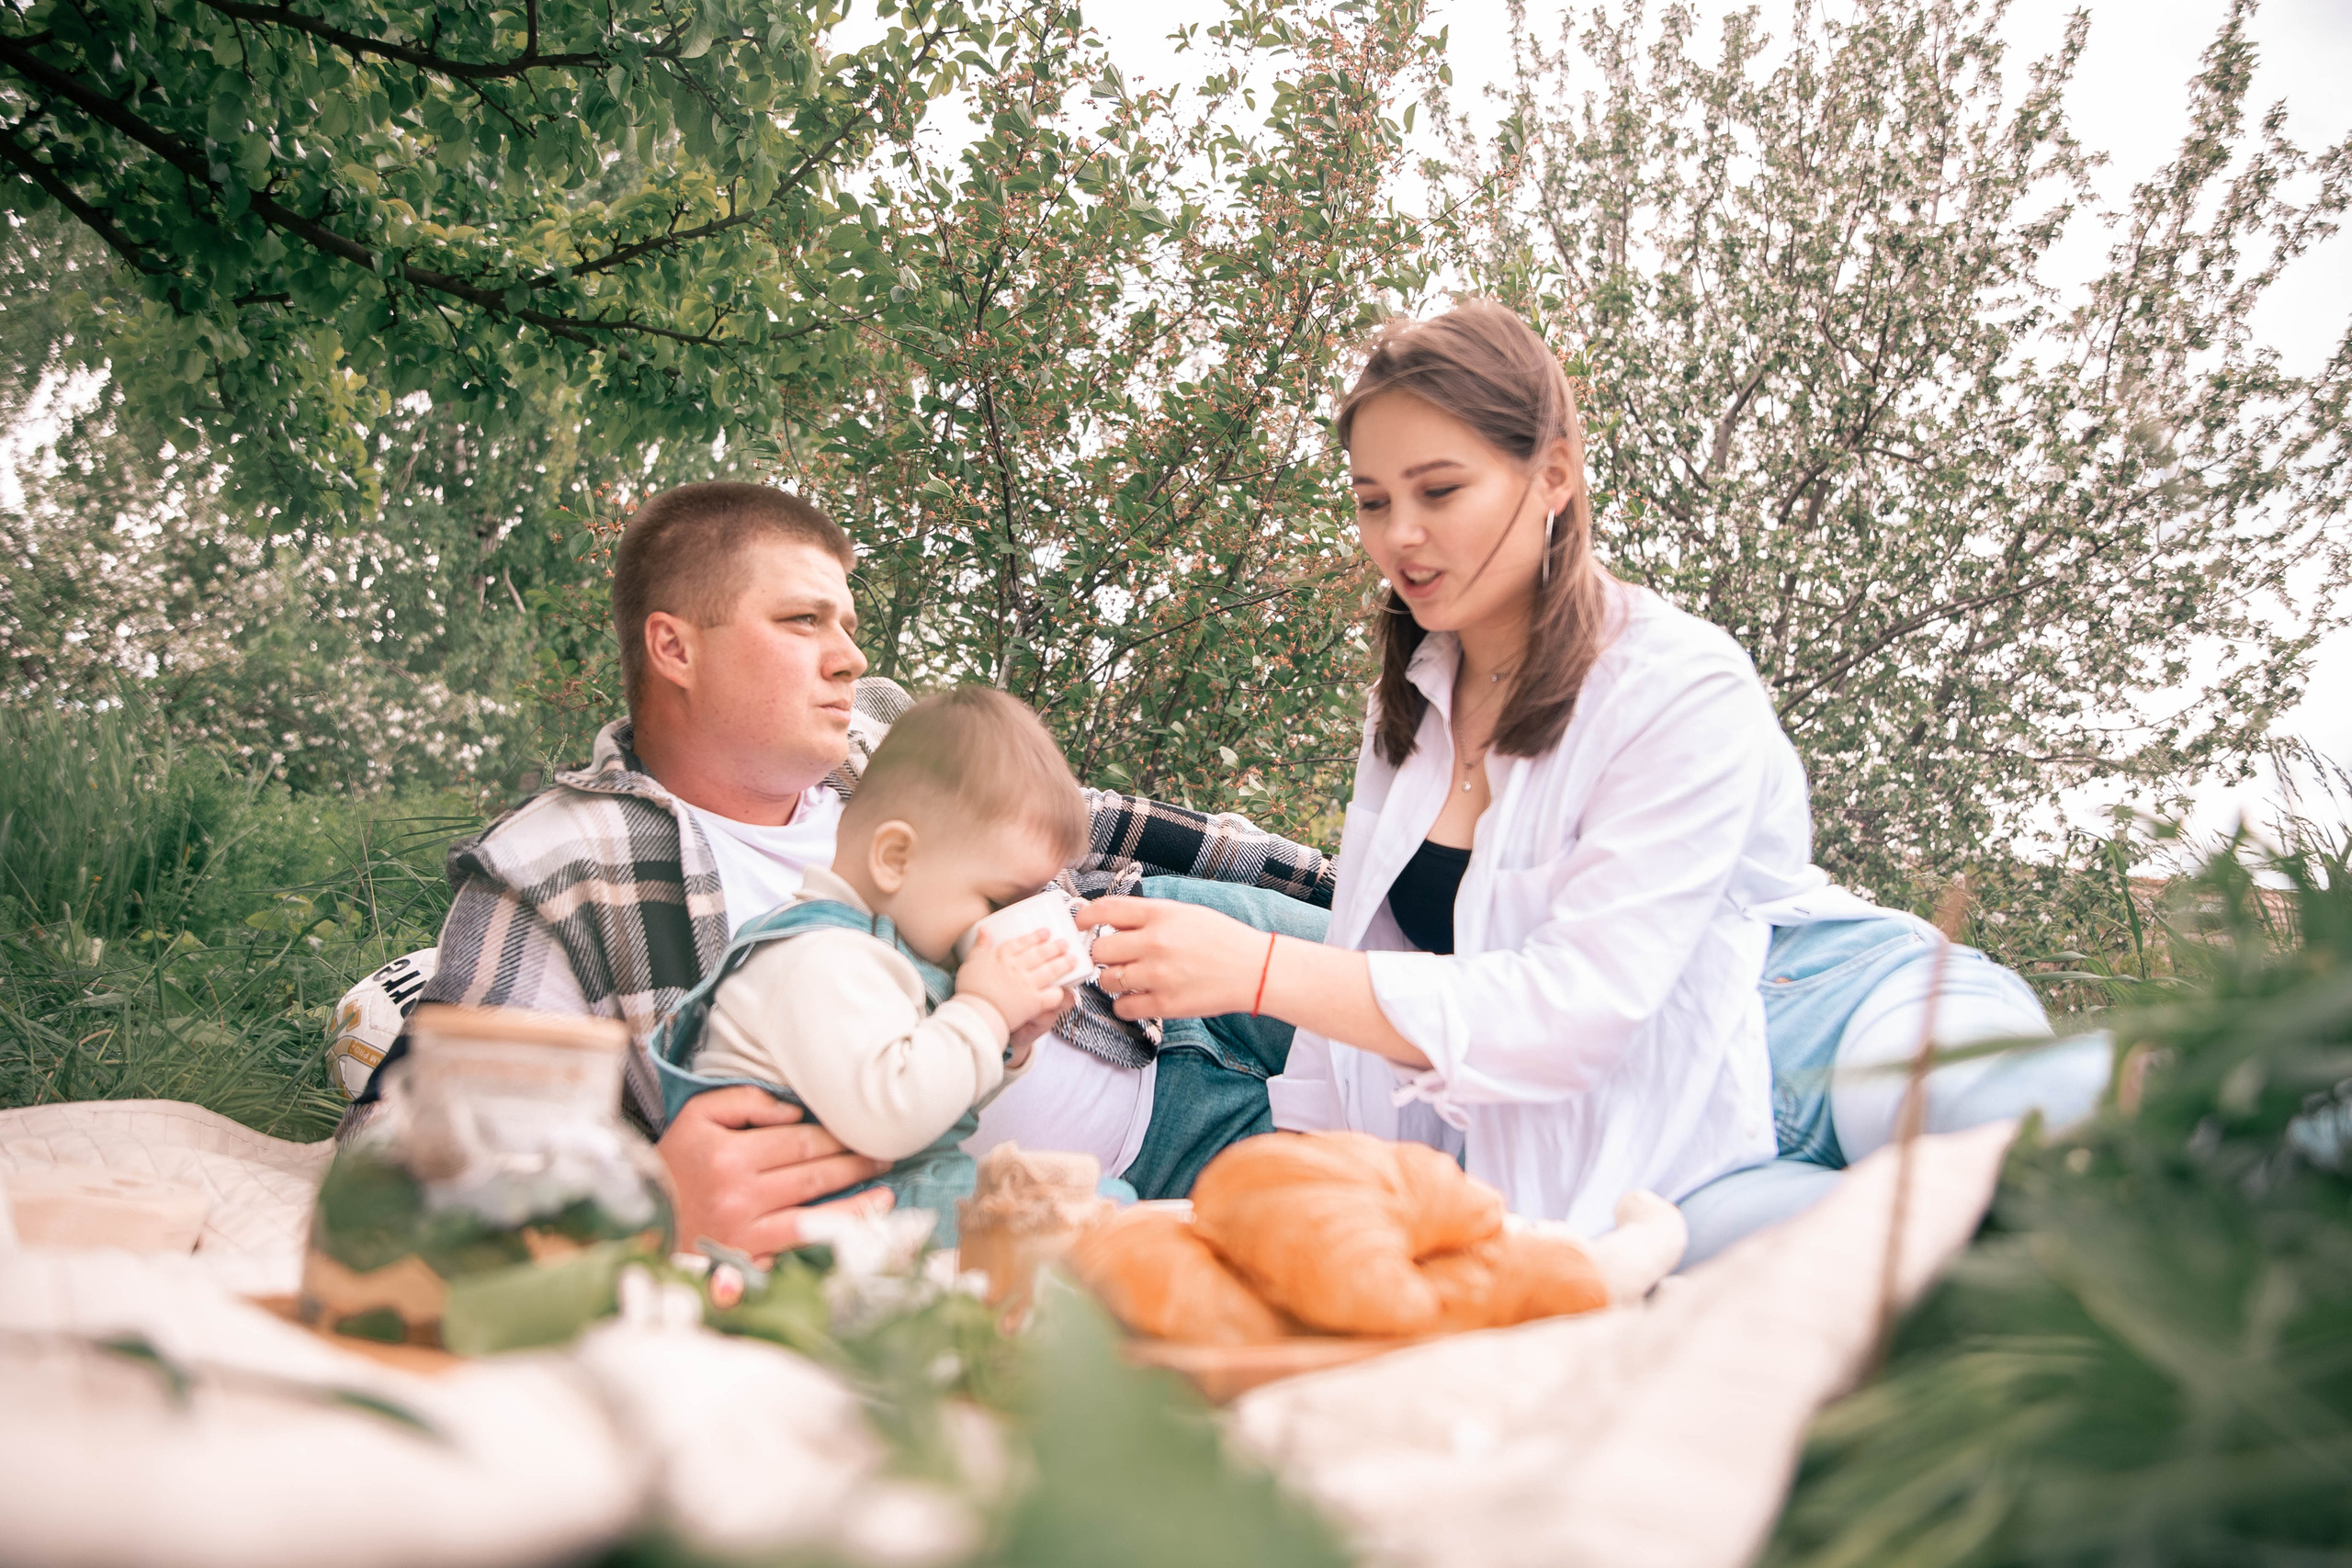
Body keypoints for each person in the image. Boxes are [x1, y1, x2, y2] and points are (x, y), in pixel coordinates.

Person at [1081, 301, 2109, 1250]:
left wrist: (1259, 971)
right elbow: (1363, 969)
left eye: (1440, 491)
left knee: (2046, 1157)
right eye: (1372, 501)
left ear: (1553, 477)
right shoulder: (1408, 708)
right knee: (1897, 1277)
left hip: (1821, 1011)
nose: (1400, 536)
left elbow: (1577, 1004)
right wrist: (1312, 1174)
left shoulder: (1675, 679)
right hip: (1642, 1149)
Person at [346, 480, 1335, 1259]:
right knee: (1372, 1210)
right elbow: (398, 1154)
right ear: (674, 647)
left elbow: (1106, 825)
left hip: (1176, 989)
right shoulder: (565, 865)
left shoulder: (880, 745)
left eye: (847, 624)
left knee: (1401, 972)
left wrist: (1346, 885)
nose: (850, 657)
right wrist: (648, 1197)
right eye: (803, 621)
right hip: (1115, 1183)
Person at [649, 688, 1092, 1243]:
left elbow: (934, 1097)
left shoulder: (877, 951)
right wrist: (983, 1011)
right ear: (895, 858)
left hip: (883, 1193)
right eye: (997, 902)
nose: (1003, 925)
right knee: (1076, 1229)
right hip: (816, 1221)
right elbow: (894, 1115)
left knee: (1088, 1214)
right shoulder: (819, 960)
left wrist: (1008, 1040)